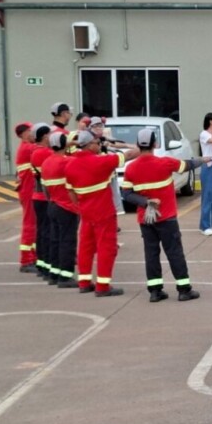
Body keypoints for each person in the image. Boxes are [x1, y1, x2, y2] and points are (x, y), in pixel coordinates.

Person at [122, 128, 210, 303]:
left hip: (146, 219)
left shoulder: (131, 168)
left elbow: (126, 194)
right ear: (155, 144)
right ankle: (184, 289)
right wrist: (202, 159)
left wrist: (145, 201)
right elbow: (187, 165)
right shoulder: (165, 163)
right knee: (175, 252)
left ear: (139, 145)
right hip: (167, 218)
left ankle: (155, 291)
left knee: (151, 253)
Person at [65, 130, 139, 296]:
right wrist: (143, 147)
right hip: (103, 211)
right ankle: (103, 286)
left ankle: (84, 282)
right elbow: (127, 156)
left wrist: (81, 206)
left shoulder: (69, 165)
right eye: (98, 143)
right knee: (107, 247)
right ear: (90, 145)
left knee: (85, 247)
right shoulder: (101, 162)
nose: (100, 146)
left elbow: (71, 194)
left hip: (85, 212)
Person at [40, 132, 81, 288]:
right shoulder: (68, 162)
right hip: (67, 207)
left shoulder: (46, 162)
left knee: (55, 241)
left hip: (52, 205)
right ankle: (65, 276)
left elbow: (45, 188)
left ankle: (54, 274)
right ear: (65, 145)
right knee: (67, 242)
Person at [29, 124, 55, 282]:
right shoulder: (44, 153)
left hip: (38, 197)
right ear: (45, 137)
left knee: (42, 231)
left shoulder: (35, 151)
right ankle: (46, 264)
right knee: (47, 233)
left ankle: (41, 264)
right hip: (44, 198)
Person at [88, 117, 127, 215]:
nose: (98, 128)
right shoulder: (90, 140)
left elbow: (114, 144)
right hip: (97, 176)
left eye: (100, 125)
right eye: (95, 126)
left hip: (109, 174)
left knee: (111, 198)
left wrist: (130, 146)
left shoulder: (103, 138)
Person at [13, 122, 38, 273]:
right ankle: (26, 260)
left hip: (30, 189)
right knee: (29, 223)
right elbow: (45, 149)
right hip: (28, 190)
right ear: (23, 134)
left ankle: (33, 256)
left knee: (34, 223)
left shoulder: (28, 147)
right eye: (30, 131)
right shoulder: (28, 148)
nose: (32, 133)